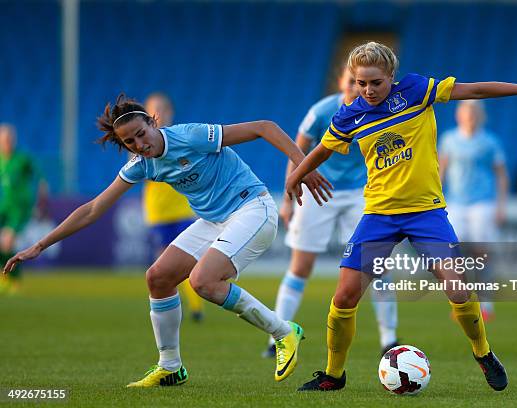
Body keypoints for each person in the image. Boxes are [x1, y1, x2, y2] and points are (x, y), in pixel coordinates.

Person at [286, 41, 517, 392]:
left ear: (391, 76)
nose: (368, 90)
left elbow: (476, 90)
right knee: (344, 297)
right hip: (380, 213)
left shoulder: (416, 90)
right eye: (361, 83)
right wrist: (295, 174)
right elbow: (322, 149)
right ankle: (333, 375)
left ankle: (483, 354)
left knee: (458, 286)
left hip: (426, 212)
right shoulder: (350, 114)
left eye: (375, 82)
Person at [3, 94, 332, 387]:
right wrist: (41, 244)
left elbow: (264, 126)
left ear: (152, 122)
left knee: (203, 281)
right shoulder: (141, 165)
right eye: (130, 142)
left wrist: (303, 167)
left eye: (141, 133)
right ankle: (170, 367)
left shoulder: (190, 135)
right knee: (157, 278)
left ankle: (283, 331)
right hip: (213, 221)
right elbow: (92, 209)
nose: (140, 144)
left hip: (252, 208)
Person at [264, 68, 399, 359]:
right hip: (317, 190)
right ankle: (276, 337)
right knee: (301, 267)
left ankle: (389, 338)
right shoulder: (322, 111)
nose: (358, 88)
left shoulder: (381, 111)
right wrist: (288, 200)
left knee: (377, 266)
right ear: (341, 82)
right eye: (352, 82)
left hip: (362, 193)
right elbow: (297, 151)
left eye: (362, 83)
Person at [439, 100, 509, 321]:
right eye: (465, 112)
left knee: (481, 254)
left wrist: (501, 206)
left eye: (473, 112)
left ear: (480, 116)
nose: (469, 116)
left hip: (482, 203)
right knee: (454, 255)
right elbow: (441, 171)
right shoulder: (449, 139)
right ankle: (461, 302)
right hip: (456, 203)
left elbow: (501, 175)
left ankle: (486, 303)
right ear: (459, 115)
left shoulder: (489, 142)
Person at [143, 92, 204, 322]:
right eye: (152, 109)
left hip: (182, 210)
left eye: (160, 109)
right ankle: (170, 309)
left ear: (170, 113)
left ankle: (197, 308)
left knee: (189, 262)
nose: (156, 114)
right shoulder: (140, 144)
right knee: (164, 266)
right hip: (158, 213)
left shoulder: (181, 137)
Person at [0, 124, 47, 295]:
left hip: (19, 208)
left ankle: (12, 280)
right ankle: (5, 277)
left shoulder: (22, 158)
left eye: (9, 139)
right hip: (4, 205)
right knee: (4, 245)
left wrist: (41, 199)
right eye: (4, 139)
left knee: (7, 242)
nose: (7, 142)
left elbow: (40, 178)